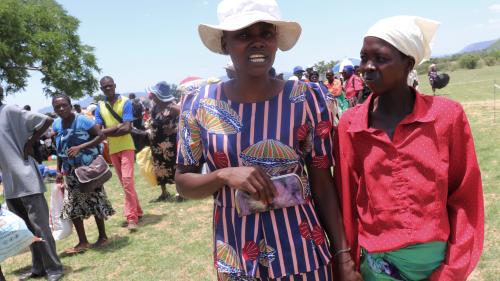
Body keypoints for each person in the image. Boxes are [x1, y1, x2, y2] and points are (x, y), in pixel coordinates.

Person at [178, 0, 361, 280]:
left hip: (303, 251)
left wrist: (343, 256)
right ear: (225, 43)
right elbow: (183, 184)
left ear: (275, 41)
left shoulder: (307, 98)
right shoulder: (200, 104)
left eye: (266, 33)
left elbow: (323, 182)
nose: (257, 43)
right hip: (237, 256)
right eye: (243, 35)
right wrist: (224, 175)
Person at [335, 16, 483, 281]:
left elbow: (465, 197)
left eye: (380, 58)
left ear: (408, 63)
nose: (367, 67)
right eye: (363, 58)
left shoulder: (445, 117)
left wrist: (452, 270)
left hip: (437, 265)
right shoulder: (351, 125)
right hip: (376, 267)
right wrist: (348, 262)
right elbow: (346, 199)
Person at [0, 87, 64, 281]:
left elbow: (46, 120)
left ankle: (54, 268)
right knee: (24, 230)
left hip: (26, 178)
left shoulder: (9, 110)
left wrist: (31, 142)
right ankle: (39, 267)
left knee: (40, 227)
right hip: (10, 183)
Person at [52, 94, 115, 254]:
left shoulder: (82, 120)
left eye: (64, 105)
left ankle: (103, 237)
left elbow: (101, 136)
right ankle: (83, 241)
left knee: (95, 200)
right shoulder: (57, 124)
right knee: (72, 205)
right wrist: (59, 170)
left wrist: (81, 146)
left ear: (70, 105)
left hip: (88, 169)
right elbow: (60, 149)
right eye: (57, 106)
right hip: (71, 171)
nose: (61, 109)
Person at [95, 76, 143, 231]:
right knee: (125, 183)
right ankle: (139, 211)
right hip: (113, 149)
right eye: (105, 87)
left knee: (128, 181)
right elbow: (97, 131)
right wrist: (117, 128)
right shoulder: (100, 106)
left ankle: (131, 218)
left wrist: (106, 132)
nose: (108, 88)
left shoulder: (125, 102)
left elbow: (127, 128)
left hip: (127, 146)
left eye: (110, 85)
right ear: (101, 89)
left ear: (115, 85)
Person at [146, 82, 181, 202]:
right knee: (159, 167)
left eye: (154, 94)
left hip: (170, 144)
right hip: (156, 143)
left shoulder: (173, 107)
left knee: (174, 166)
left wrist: (174, 129)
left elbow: (186, 122)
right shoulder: (155, 107)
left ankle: (180, 192)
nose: (153, 96)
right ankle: (164, 192)